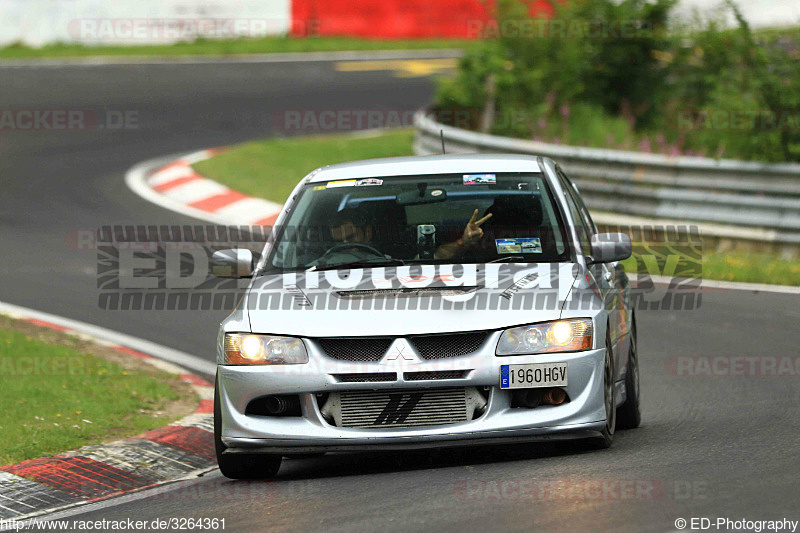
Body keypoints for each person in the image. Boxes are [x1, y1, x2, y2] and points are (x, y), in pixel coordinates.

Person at [329, 208, 492, 260]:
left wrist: (462, 242)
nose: (345, 245)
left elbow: (434, 258)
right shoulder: (316, 266)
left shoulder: (390, 260)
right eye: (339, 241)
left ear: (368, 232)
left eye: (351, 238)